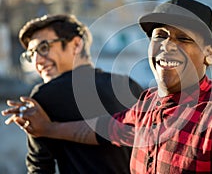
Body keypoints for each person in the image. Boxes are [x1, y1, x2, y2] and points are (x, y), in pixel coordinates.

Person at [2, 0, 212, 173]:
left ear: (209, 53)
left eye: (184, 38)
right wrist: (48, 128)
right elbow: (103, 130)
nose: (167, 46)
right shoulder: (146, 105)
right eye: (160, 35)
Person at [4, 14, 143, 173]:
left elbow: (40, 167)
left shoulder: (45, 96)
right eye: (31, 55)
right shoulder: (129, 85)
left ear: (76, 44)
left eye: (44, 48)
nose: (37, 62)